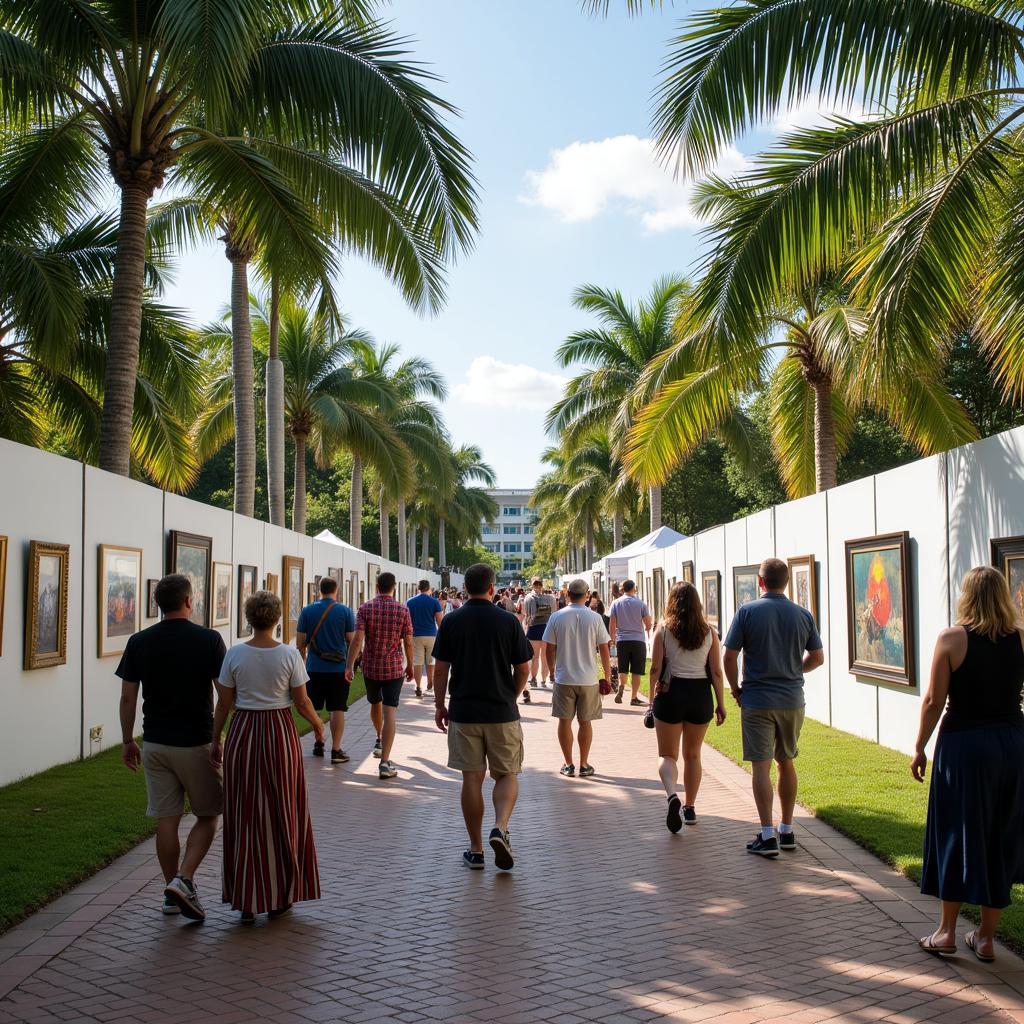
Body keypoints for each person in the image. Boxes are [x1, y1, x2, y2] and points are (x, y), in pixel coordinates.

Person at [913, 566, 1024, 962]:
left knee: (956, 832)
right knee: (999, 833)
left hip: (963, 747)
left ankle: (946, 933)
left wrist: (919, 746)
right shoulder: (1020, 640)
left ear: (967, 595)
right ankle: (987, 938)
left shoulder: (952, 639)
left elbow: (933, 701)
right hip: (1011, 745)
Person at [117, 573, 225, 921]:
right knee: (208, 815)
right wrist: (219, 737)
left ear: (157, 604)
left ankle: (170, 892)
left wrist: (126, 740)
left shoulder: (139, 641)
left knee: (167, 819)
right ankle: (184, 878)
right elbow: (225, 695)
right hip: (196, 741)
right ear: (190, 601)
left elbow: (127, 696)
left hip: (155, 742)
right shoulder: (209, 640)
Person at [211, 590, 323, 923]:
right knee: (283, 809)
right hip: (278, 733)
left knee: (244, 813)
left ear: (249, 617)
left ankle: (246, 898)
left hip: (243, 732)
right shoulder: (289, 655)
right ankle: (280, 896)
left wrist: (215, 738)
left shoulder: (234, 654)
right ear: (276, 619)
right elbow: (302, 702)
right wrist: (318, 725)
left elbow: (223, 704)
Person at [432, 563, 533, 870]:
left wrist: (440, 704)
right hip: (501, 712)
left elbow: (440, 669)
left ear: (466, 588)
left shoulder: (451, 621)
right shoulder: (508, 621)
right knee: (506, 774)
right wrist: (511, 697)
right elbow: (524, 668)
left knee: (471, 780)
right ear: (492, 588)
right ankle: (500, 827)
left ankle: (476, 850)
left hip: (464, 712)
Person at [723, 557, 823, 856]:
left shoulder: (747, 612)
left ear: (760, 581)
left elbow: (729, 656)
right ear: (787, 581)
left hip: (757, 699)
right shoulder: (803, 615)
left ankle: (767, 835)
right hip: (792, 699)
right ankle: (788, 829)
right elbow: (817, 658)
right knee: (786, 761)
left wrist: (735, 689)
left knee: (761, 766)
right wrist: (794, 670)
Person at [649, 582, 726, 831]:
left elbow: (655, 669)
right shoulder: (709, 632)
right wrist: (721, 704)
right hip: (700, 693)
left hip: (671, 693)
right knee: (693, 755)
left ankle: (672, 794)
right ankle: (690, 807)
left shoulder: (663, 630)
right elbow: (716, 670)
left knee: (667, 755)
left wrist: (651, 700)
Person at [345, 572, 414, 780]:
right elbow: (408, 641)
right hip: (393, 667)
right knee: (390, 711)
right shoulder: (402, 609)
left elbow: (357, 640)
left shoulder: (365, 608)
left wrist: (349, 666)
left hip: (371, 666)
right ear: (394, 586)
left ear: (376, 586)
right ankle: (385, 761)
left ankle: (378, 736)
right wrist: (410, 665)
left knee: (375, 703)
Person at [543, 578, 612, 778]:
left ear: (567, 595)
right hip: (589, 679)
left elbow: (549, 648)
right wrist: (607, 676)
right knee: (585, 722)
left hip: (564, 677)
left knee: (564, 722)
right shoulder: (595, 618)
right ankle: (584, 763)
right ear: (587, 594)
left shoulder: (557, 617)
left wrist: (552, 671)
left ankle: (568, 763)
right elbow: (604, 648)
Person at [296, 576, 356, 765]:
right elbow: (351, 639)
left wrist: (304, 664)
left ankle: (318, 741)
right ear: (336, 589)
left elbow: (300, 643)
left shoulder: (307, 611)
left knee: (314, 707)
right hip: (338, 669)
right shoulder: (345, 611)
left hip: (314, 668)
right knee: (337, 708)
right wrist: (350, 665)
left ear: (319, 590)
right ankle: (336, 750)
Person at [609, 580, 653, 706]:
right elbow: (648, 624)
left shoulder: (615, 603)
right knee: (636, 670)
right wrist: (648, 628)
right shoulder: (641, 604)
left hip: (622, 640)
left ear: (622, 589)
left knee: (622, 668)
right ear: (634, 589)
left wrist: (612, 640)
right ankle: (634, 697)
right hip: (638, 640)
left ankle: (622, 686)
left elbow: (612, 623)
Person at [407, 579, 443, 699]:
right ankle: (430, 684)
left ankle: (418, 686)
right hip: (431, 634)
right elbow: (439, 620)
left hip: (416, 635)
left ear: (418, 588)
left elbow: (407, 621)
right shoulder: (434, 602)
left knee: (417, 661)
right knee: (430, 661)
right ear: (429, 588)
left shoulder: (410, 602)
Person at [523, 578, 557, 695]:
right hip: (546, 628)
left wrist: (527, 626)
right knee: (545, 656)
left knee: (535, 656)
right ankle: (543, 680)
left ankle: (533, 679)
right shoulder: (549, 598)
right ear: (541, 586)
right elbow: (554, 613)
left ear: (532, 585)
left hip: (534, 628)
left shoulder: (529, 598)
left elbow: (528, 615)